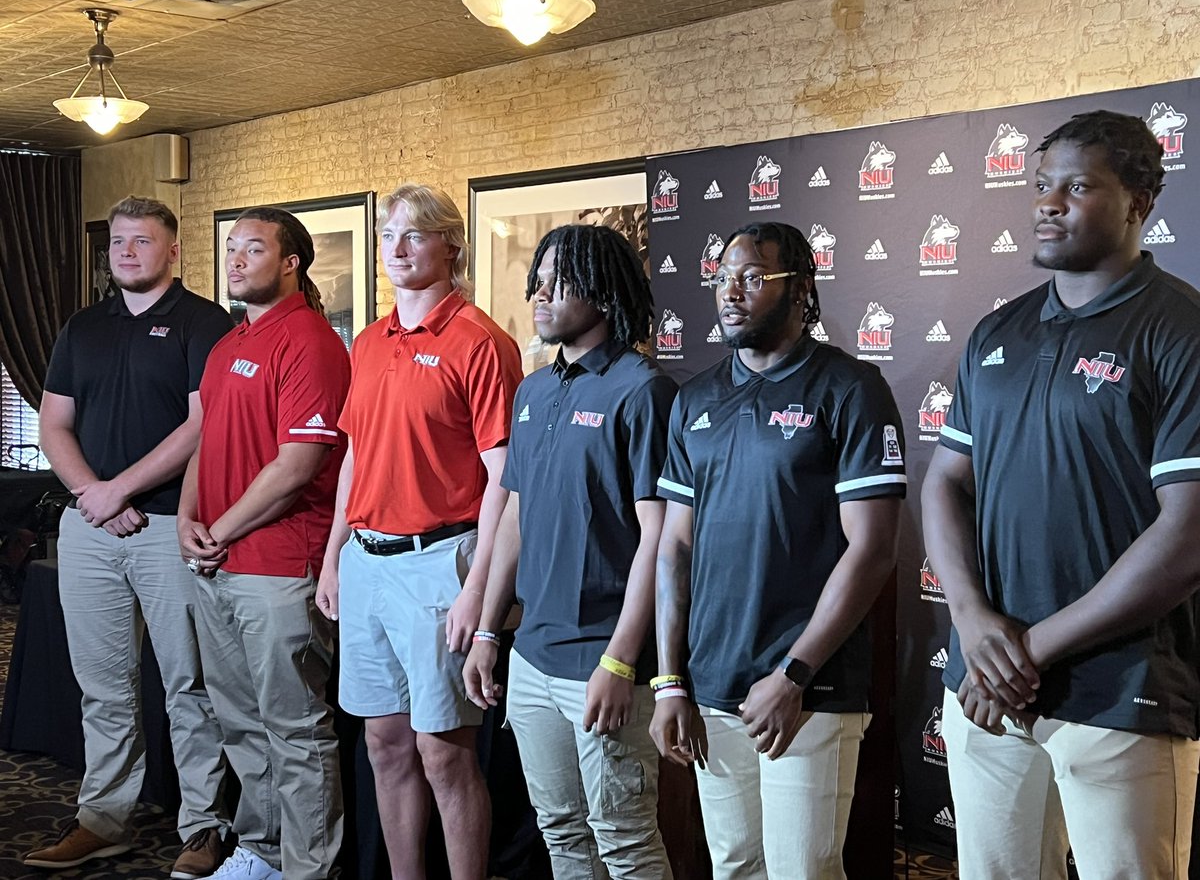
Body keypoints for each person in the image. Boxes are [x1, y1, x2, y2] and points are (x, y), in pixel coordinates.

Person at [923, 110, 1200, 879]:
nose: (1048, 203)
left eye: (1077, 187)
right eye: (1042, 185)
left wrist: (1027, 651)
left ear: (1140, 201)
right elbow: (946, 481)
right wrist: (975, 625)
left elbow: (1186, 537)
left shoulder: (1181, 330)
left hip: (1123, 693)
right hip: (986, 691)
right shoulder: (998, 332)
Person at [650, 221, 905, 879]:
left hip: (807, 691)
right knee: (735, 866)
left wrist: (794, 674)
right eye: (722, 279)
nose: (731, 292)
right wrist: (671, 680)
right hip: (712, 690)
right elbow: (674, 548)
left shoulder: (850, 389)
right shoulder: (696, 399)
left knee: (803, 870)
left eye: (753, 277)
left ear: (801, 290)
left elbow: (873, 549)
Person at [316, 184, 522, 880]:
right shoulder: (369, 341)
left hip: (442, 561)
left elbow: (506, 479)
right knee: (384, 744)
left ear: (451, 248)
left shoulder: (481, 341)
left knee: (445, 752)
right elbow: (353, 457)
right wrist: (333, 558)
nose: (398, 248)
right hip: (368, 562)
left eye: (415, 234)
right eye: (388, 235)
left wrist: (480, 589)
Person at [463, 223, 677, 879]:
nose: (542, 292)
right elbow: (515, 521)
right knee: (561, 834)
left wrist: (620, 661)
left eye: (562, 280)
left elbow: (659, 541)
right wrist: (488, 635)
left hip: (603, 658)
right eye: (540, 278)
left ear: (605, 293)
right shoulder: (533, 391)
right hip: (531, 658)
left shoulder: (642, 390)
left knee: (625, 840)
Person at [27, 196, 233, 877]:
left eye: (142, 242)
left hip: (172, 524)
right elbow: (53, 423)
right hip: (90, 528)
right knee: (104, 686)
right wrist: (93, 493)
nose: (126, 252)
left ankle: (204, 826)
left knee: (189, 686)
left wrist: (123, 488)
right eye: (118, 241)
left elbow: (202, 426)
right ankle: (103, 818)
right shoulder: (83, 327)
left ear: (172, 250)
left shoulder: (204, 322)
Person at [179, 206, 349, 880]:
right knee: (242, 727)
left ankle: (311, 869)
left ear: (290, 263)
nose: (236, 260)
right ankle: (263, 853)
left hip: (280, 566)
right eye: (231, 248)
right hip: (217, 564)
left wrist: (216, 532)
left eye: (253, 249)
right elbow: (205, 442)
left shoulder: (310, 342)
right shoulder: (226, 346)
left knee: (298, 733)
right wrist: (190, 518)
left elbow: (296, 467)